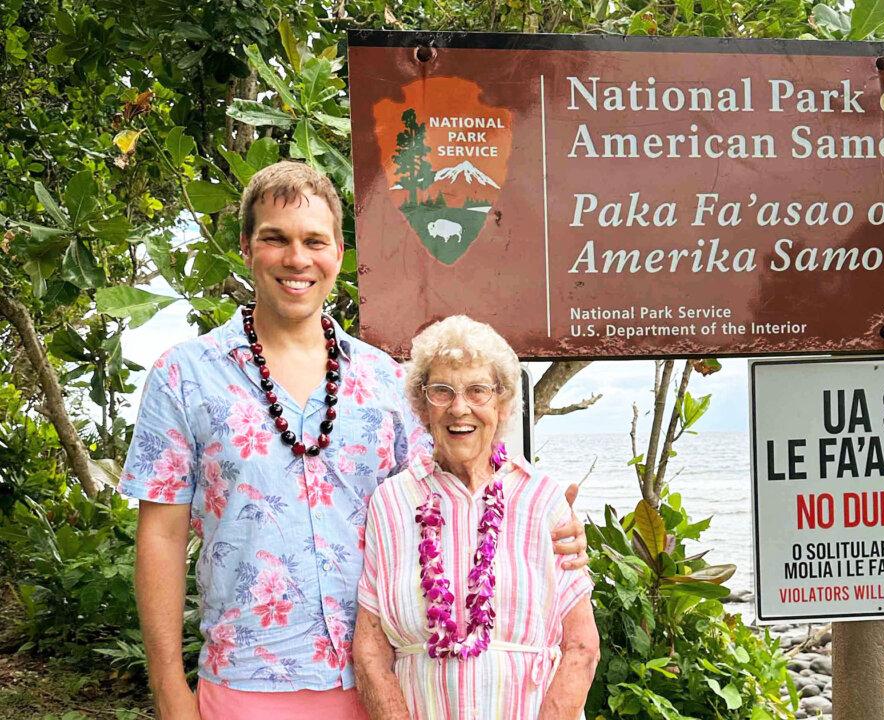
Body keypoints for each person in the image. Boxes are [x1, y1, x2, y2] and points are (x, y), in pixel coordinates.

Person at [119, 161, 587, 720]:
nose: (297, 259)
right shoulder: (184, 375)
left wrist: (548, 525)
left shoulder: (387, 381)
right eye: (276, 238)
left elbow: (452, 493)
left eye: (314, 240)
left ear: (338, 253)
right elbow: (162, 538)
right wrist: (171, 690)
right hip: (244, 681)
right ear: (246, 247)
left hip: (386, 684)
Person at [353, 316, 600, 719]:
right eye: (442, 391)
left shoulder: (542, 499)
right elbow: (371, 647)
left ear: (501, 404)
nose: (459, 408)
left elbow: (582, 646)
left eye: (477, 391)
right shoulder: (392, 502)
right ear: (422, 405)